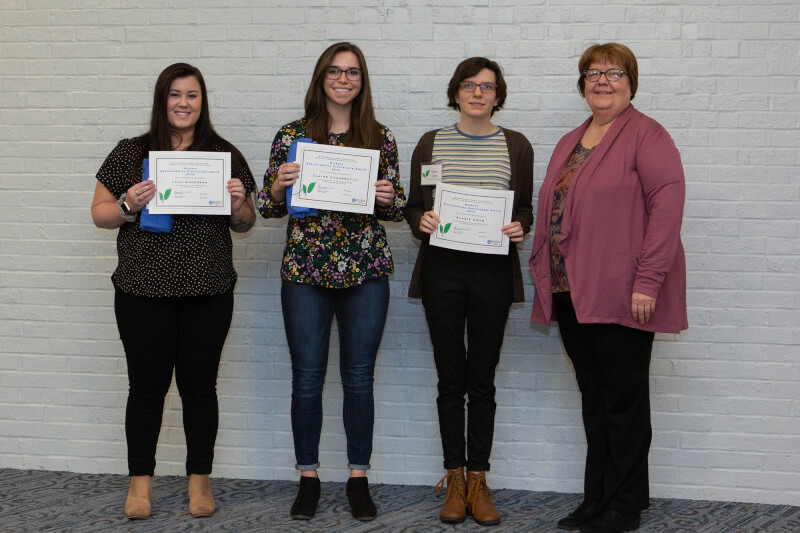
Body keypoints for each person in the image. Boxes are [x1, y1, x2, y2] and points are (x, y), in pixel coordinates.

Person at [528, 43, 688, 533]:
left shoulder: (647, 135)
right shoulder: (571, 140)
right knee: (595, 398)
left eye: (614, 73)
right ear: (582, 85)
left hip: (624, 290)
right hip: (570, 289)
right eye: (593, 73)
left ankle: (626, 504)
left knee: (624, 400)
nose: (603, 80)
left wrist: (649, 281)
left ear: (631, 83)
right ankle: (596, 497)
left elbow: (667, 208)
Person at [91, 63, 256, 520]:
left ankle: (199, 482)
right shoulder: (132, 151)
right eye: (175, 95)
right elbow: (100, 213)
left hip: (208, 290)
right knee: (146, 389)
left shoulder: (224, 154)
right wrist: (128, 205)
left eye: (193, 96)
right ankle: (139, 483)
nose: (184, 103)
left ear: (203, 103)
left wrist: (239, 203)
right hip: (143, 289)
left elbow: (244, 225)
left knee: (201, 389)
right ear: (163, 99)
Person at [258, 42, 405, 522]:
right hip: (305, 269)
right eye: (335, 71)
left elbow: (399, 208)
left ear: (362, 82)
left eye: (354, 73)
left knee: (359, 379)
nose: (344, 79)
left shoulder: (379, 137)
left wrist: (386, 197)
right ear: (321, 77)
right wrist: (279, 185)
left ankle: (358, 478)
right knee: (307, 378)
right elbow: (267, 207)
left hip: (364, 269)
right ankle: (308, 478)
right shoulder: (292, 134)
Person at [405, 57, 534, 527]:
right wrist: (419, 221)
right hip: (443, 270)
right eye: (469, 85)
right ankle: (454, 481)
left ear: (498, 96)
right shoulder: (430, 143)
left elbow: (523, 207)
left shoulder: (516, 146)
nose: (478, 93)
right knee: (449, 378)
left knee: (482, 378)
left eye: (487, 87)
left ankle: (479, 480)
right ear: (455, 92)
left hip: (492, 272)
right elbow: (415, 204)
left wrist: (521, 225)